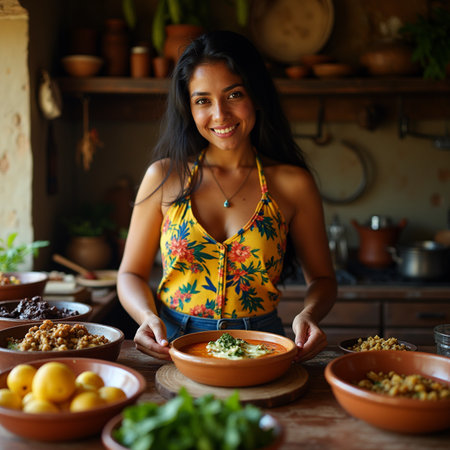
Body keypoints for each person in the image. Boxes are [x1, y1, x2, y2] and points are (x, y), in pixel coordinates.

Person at [117, 30, 337, 362]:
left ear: (257, 95)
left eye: (233, 95)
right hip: (173, 344)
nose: (220, 115)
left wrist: (309, 314)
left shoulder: (293, 184)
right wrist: (147, 317)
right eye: (202, 100)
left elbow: (322, 279)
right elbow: (130, 274)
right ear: (189, 108)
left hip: (261, 343)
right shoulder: (164, 177)